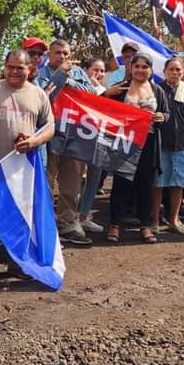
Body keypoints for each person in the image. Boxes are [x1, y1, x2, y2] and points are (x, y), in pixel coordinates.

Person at [0, 51, 54, 282]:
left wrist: (34, 141)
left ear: (30, 69)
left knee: (19, 219)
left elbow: (50, 127)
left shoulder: (38, 94)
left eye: (20, 67)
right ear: (5, 67)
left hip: (21, 170)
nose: (15, 71)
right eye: (10, 67)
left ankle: (17, 265)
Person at [37, 39, 97, 245]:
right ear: (49, 55)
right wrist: (61, 74)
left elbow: (91, 95)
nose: (63, 57)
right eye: (58, 53)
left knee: (71, 184)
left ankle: (68, 223)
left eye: (66, 53)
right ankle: (45, 224)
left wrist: (71, 81)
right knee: (46, 182)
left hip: (75, 135)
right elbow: (45, 96)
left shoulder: (79, 72)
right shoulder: (40, 74)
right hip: (50, 136)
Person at [105, 53, 168, 245]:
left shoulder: (157, 90)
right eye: (137, 66)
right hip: (125, 143)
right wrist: (107, 94)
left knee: (145, 184)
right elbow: (102, 108)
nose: (140, 70)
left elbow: (166, 113)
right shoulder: (121, 89)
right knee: (121, 184)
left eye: (144, 67)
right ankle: (114, 224)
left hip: (148, 142)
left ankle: (145, 225)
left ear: (150, 70)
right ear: (131, 68)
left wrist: (162, 117)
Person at [153, 57, 184, 234]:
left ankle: (174, 219)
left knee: (178, 184)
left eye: (178, 70)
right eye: (171, 69)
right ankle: (154, 221)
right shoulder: (157, 90)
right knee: (157, 184)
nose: (175, 73)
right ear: (164, 71)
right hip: (161, 144)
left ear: (183, 73)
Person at [77, 57, 109, 233]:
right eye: (95, 70)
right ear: (85, 70)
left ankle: (84, 215)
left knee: (94, 179)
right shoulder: (77, 87)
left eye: (102, 71)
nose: (98, 74)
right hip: (79, 141)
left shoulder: (106, 91)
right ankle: (71, 216)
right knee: (76, 179)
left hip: (99, 141)